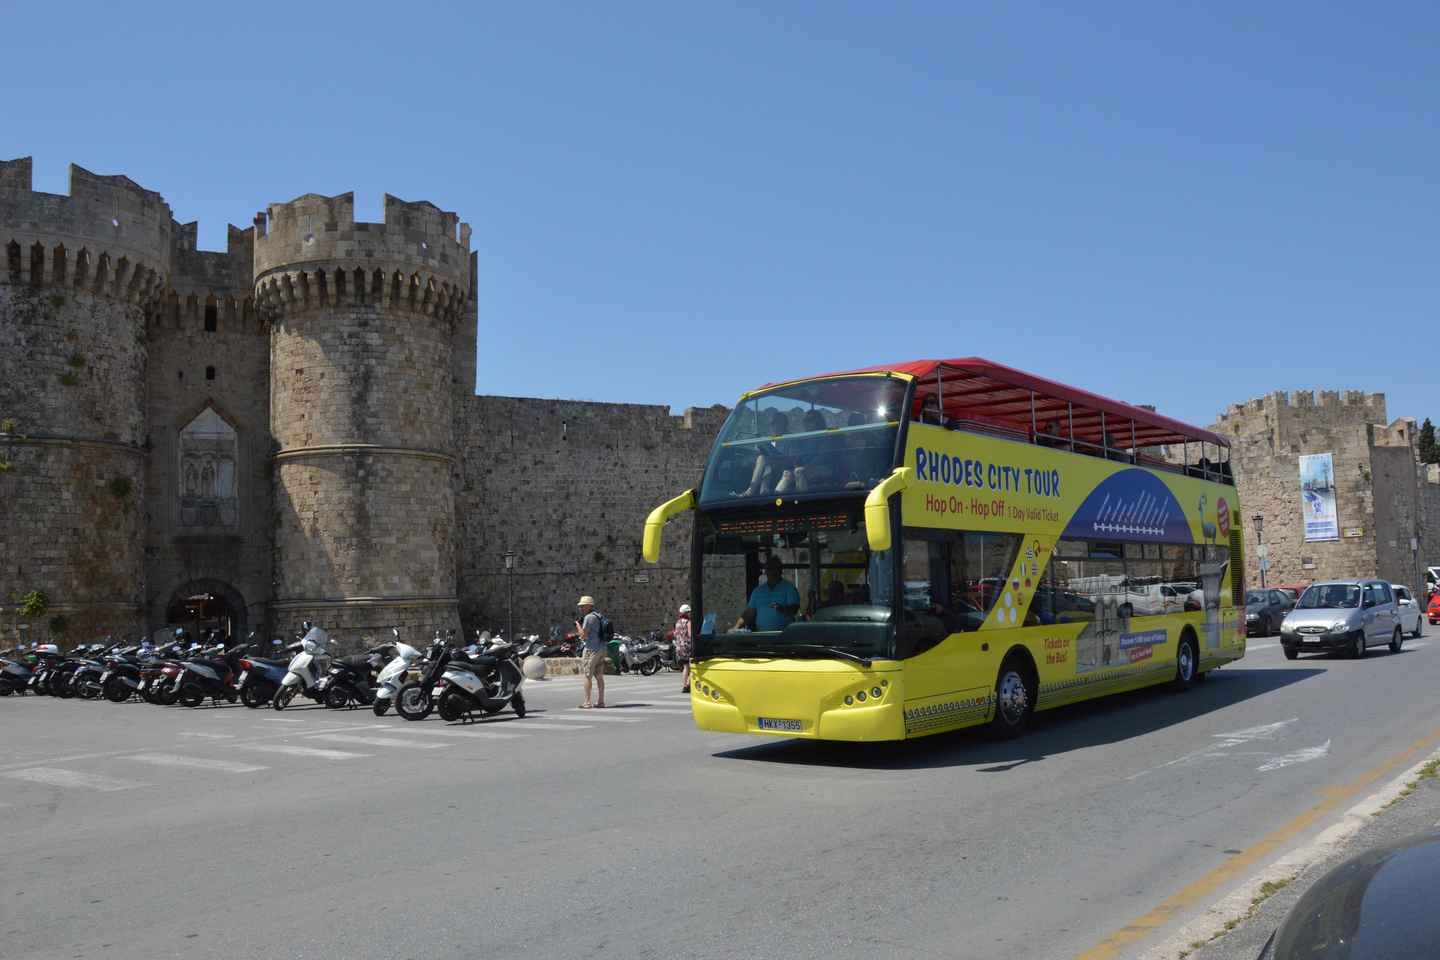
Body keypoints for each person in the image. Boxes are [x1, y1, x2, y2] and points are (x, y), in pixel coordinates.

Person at [738, 556, 801, 631]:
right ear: (766, 571)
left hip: (783, 636)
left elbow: (794, 609)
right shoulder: (758, 591)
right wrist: (735, 627)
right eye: (770, 569)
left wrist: (782, 609)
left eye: (776, 568)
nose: (773, 571)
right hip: (762, 636)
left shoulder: (789, 588)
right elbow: (749, 613)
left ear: (781, 570)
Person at [574, 595, 606, 708]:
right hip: (601, 648)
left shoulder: (589, 618)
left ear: (589, 606)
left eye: (583, 606)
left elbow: (583, 636)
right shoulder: (599, 616)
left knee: (588, 675)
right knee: (599, 676)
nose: (581, 608)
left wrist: (578, 625)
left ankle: (587, 702)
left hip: (591, 649)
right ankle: (601, 701)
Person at [673, 603, 693, 693]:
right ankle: (687, 685)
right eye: (689, 612)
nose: (690, 614)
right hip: (687, 647)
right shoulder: (688, 622)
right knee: (691, 667)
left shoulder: (678, 622)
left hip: (679, 647)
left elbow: (675, 634)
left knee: (686, 667)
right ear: (687, 613)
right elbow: (690, 635)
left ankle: (686, 685)